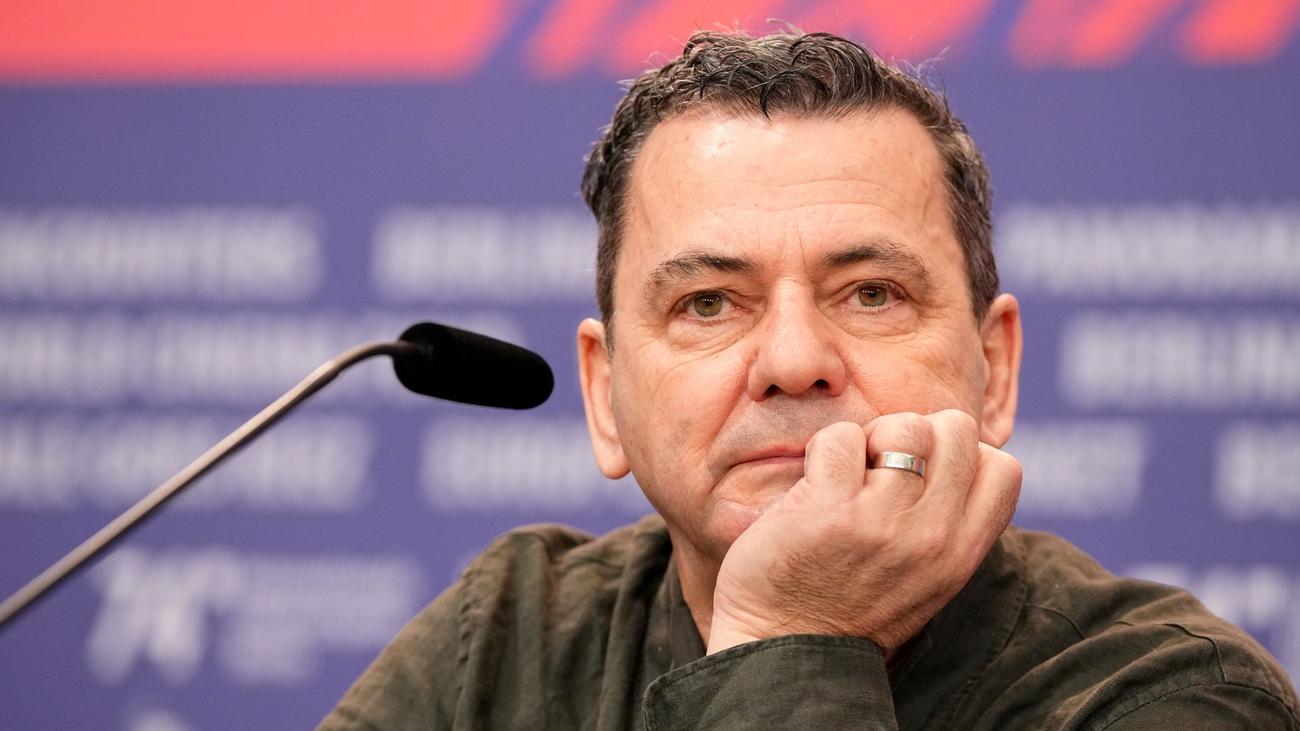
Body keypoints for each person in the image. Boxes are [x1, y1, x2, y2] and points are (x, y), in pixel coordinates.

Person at [319, 31, 1298, 729]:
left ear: (993, 369)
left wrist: (791, 634)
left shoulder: (1171, 693)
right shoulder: (505, 639)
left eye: (871, 293)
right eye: (708, 302)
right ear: (604, 396)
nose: (793, 362)